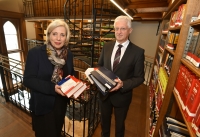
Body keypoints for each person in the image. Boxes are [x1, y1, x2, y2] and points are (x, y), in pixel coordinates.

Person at [23, 19, 74, 137]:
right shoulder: (35, 53)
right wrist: (52, 88)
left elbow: (71, 74)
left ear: (66, 37)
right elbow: (28, 80)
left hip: (61, 103)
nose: (58, 38)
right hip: (42, 104)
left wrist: (76, 87)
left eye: (62, 35)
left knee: (56, 132)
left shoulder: (69, 54)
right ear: (48, 35)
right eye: (54, 34)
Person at [97, 15, 145, 137]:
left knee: (119, 127)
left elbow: (140, 78)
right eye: (116, 28)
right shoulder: (106, 46)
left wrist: (123, 84)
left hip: (122, 97)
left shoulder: (138, 52)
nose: (119, 32)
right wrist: (94, 75)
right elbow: (100, 66)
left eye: (123, 28)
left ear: (130, 30)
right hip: (105, 95)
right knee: (104, 124)